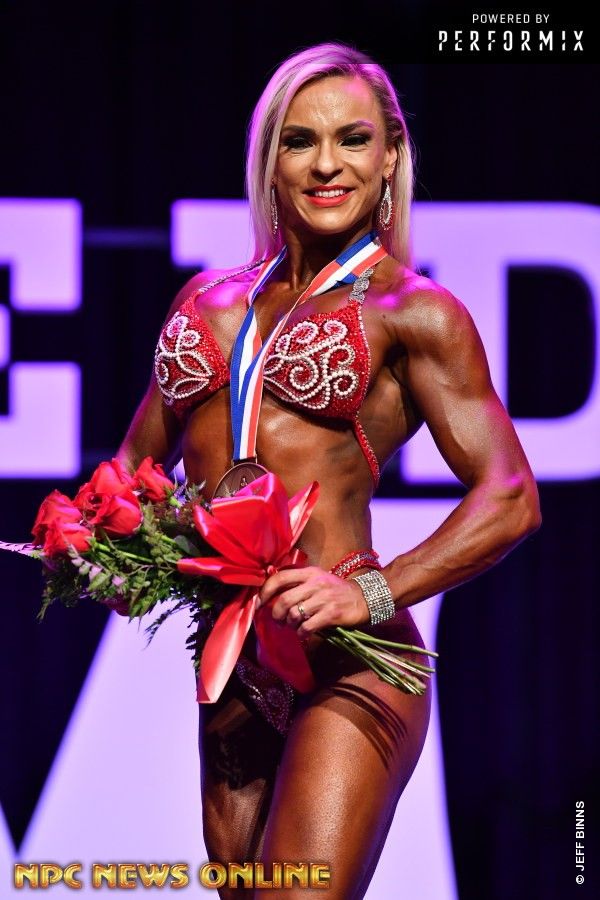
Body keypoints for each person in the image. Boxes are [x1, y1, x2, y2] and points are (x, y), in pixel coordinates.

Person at [116, 43, 541, 899]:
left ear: (389, 158)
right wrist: (108, 548)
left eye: (352, 139)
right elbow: (132, 470)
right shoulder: (205, 301)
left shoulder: (416, 312)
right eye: (299, 140)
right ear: (269, 161)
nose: (325, 165)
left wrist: (369, 593)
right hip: (235, 661)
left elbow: (510, 497)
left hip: (354, 654)